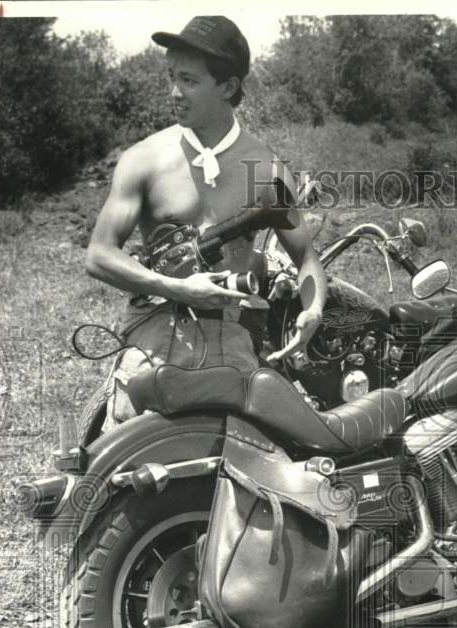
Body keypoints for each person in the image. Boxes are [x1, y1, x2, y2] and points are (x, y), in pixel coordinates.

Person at [86, 15, 325, 431]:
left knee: (244, 463)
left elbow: (305, 256)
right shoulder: (146, 159)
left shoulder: (264, 169)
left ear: (228, 87)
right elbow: (99, 255)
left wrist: (314, 309)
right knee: (126, 461)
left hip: (232, 340)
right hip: (156, 334)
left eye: (189, 81)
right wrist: (175, 287)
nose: (174, 93)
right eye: (171, 78)